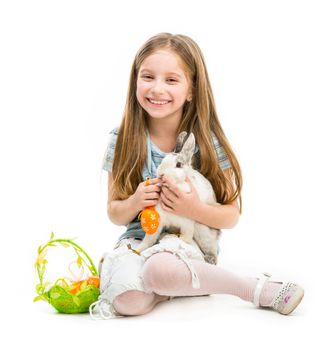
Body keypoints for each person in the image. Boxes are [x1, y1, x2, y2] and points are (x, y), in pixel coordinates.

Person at [90, 32, 304, 319]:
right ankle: (177, 283)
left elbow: (231, 215)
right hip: (139, 241)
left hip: (186, 241)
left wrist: (193, 208)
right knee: (128, 302)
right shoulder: (123, 138)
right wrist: (136, 201)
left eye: (171, 80)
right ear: (135, 81)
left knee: (159, 269)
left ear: (191, 89)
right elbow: (115, 213)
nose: (157, 89)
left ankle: (252, 288)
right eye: (148, 77)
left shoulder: (207, 141)